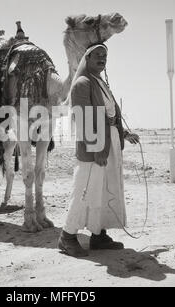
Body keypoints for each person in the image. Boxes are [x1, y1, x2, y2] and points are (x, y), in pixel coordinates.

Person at [58, 43, 139, 257]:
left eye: (105, 55)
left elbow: (110, 116)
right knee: (84, 190)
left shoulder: (100, 83)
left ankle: (98, 235)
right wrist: (97, 150)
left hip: (108, 145)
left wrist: (123, 135)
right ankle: (67, 237)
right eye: (98, 54)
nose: (102, 58)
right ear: (87, 57)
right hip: (93, 149)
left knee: (102, 192)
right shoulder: (82, 84)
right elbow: (84, 121)